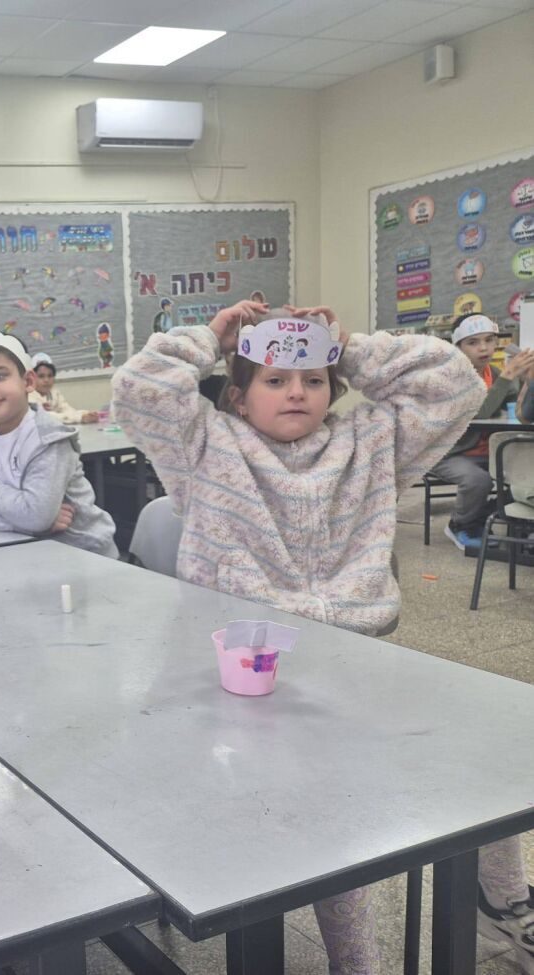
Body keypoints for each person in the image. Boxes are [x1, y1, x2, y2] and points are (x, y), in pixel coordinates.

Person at [111, 300, 513, 975]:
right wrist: (211, 338)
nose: (297, 391)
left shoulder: (372, 442)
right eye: (274, 379)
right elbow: (140, 389)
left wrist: (348, 346)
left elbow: (454, 384)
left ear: (335, 386)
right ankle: (353, 958)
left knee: (486, 752)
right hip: (248, 683)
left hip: (355, 668)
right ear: (237, 395)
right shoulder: (203, 446)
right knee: (320, 820)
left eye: (314, 378)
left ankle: (502, 905)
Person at [0, 330, 118, 557]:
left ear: (28, 381)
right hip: (25, 549)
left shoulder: (47, 437)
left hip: (84, 555)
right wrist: (26, 526)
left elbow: (35, 515)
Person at [428, 314, 534, 551]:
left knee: (525, 476)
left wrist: (527, 379)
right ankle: (461, 525)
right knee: (478, 481)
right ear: (458, 347)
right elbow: (477, 414)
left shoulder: (493, 373)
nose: (483, 348)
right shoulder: (450, 376)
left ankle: (494, 519)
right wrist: (508, 376)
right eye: (473, 342)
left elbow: (513, 411)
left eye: (489, 340)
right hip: (449, 453)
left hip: (487, 450)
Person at [28, 353, 102, 424]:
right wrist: (79, 418)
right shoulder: (28, 396)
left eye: (50, 376)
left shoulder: (54, 393)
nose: (46, 380)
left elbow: (67, 409)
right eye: (41, 376)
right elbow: (47, 417)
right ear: (32, 378)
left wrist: (85, 414)